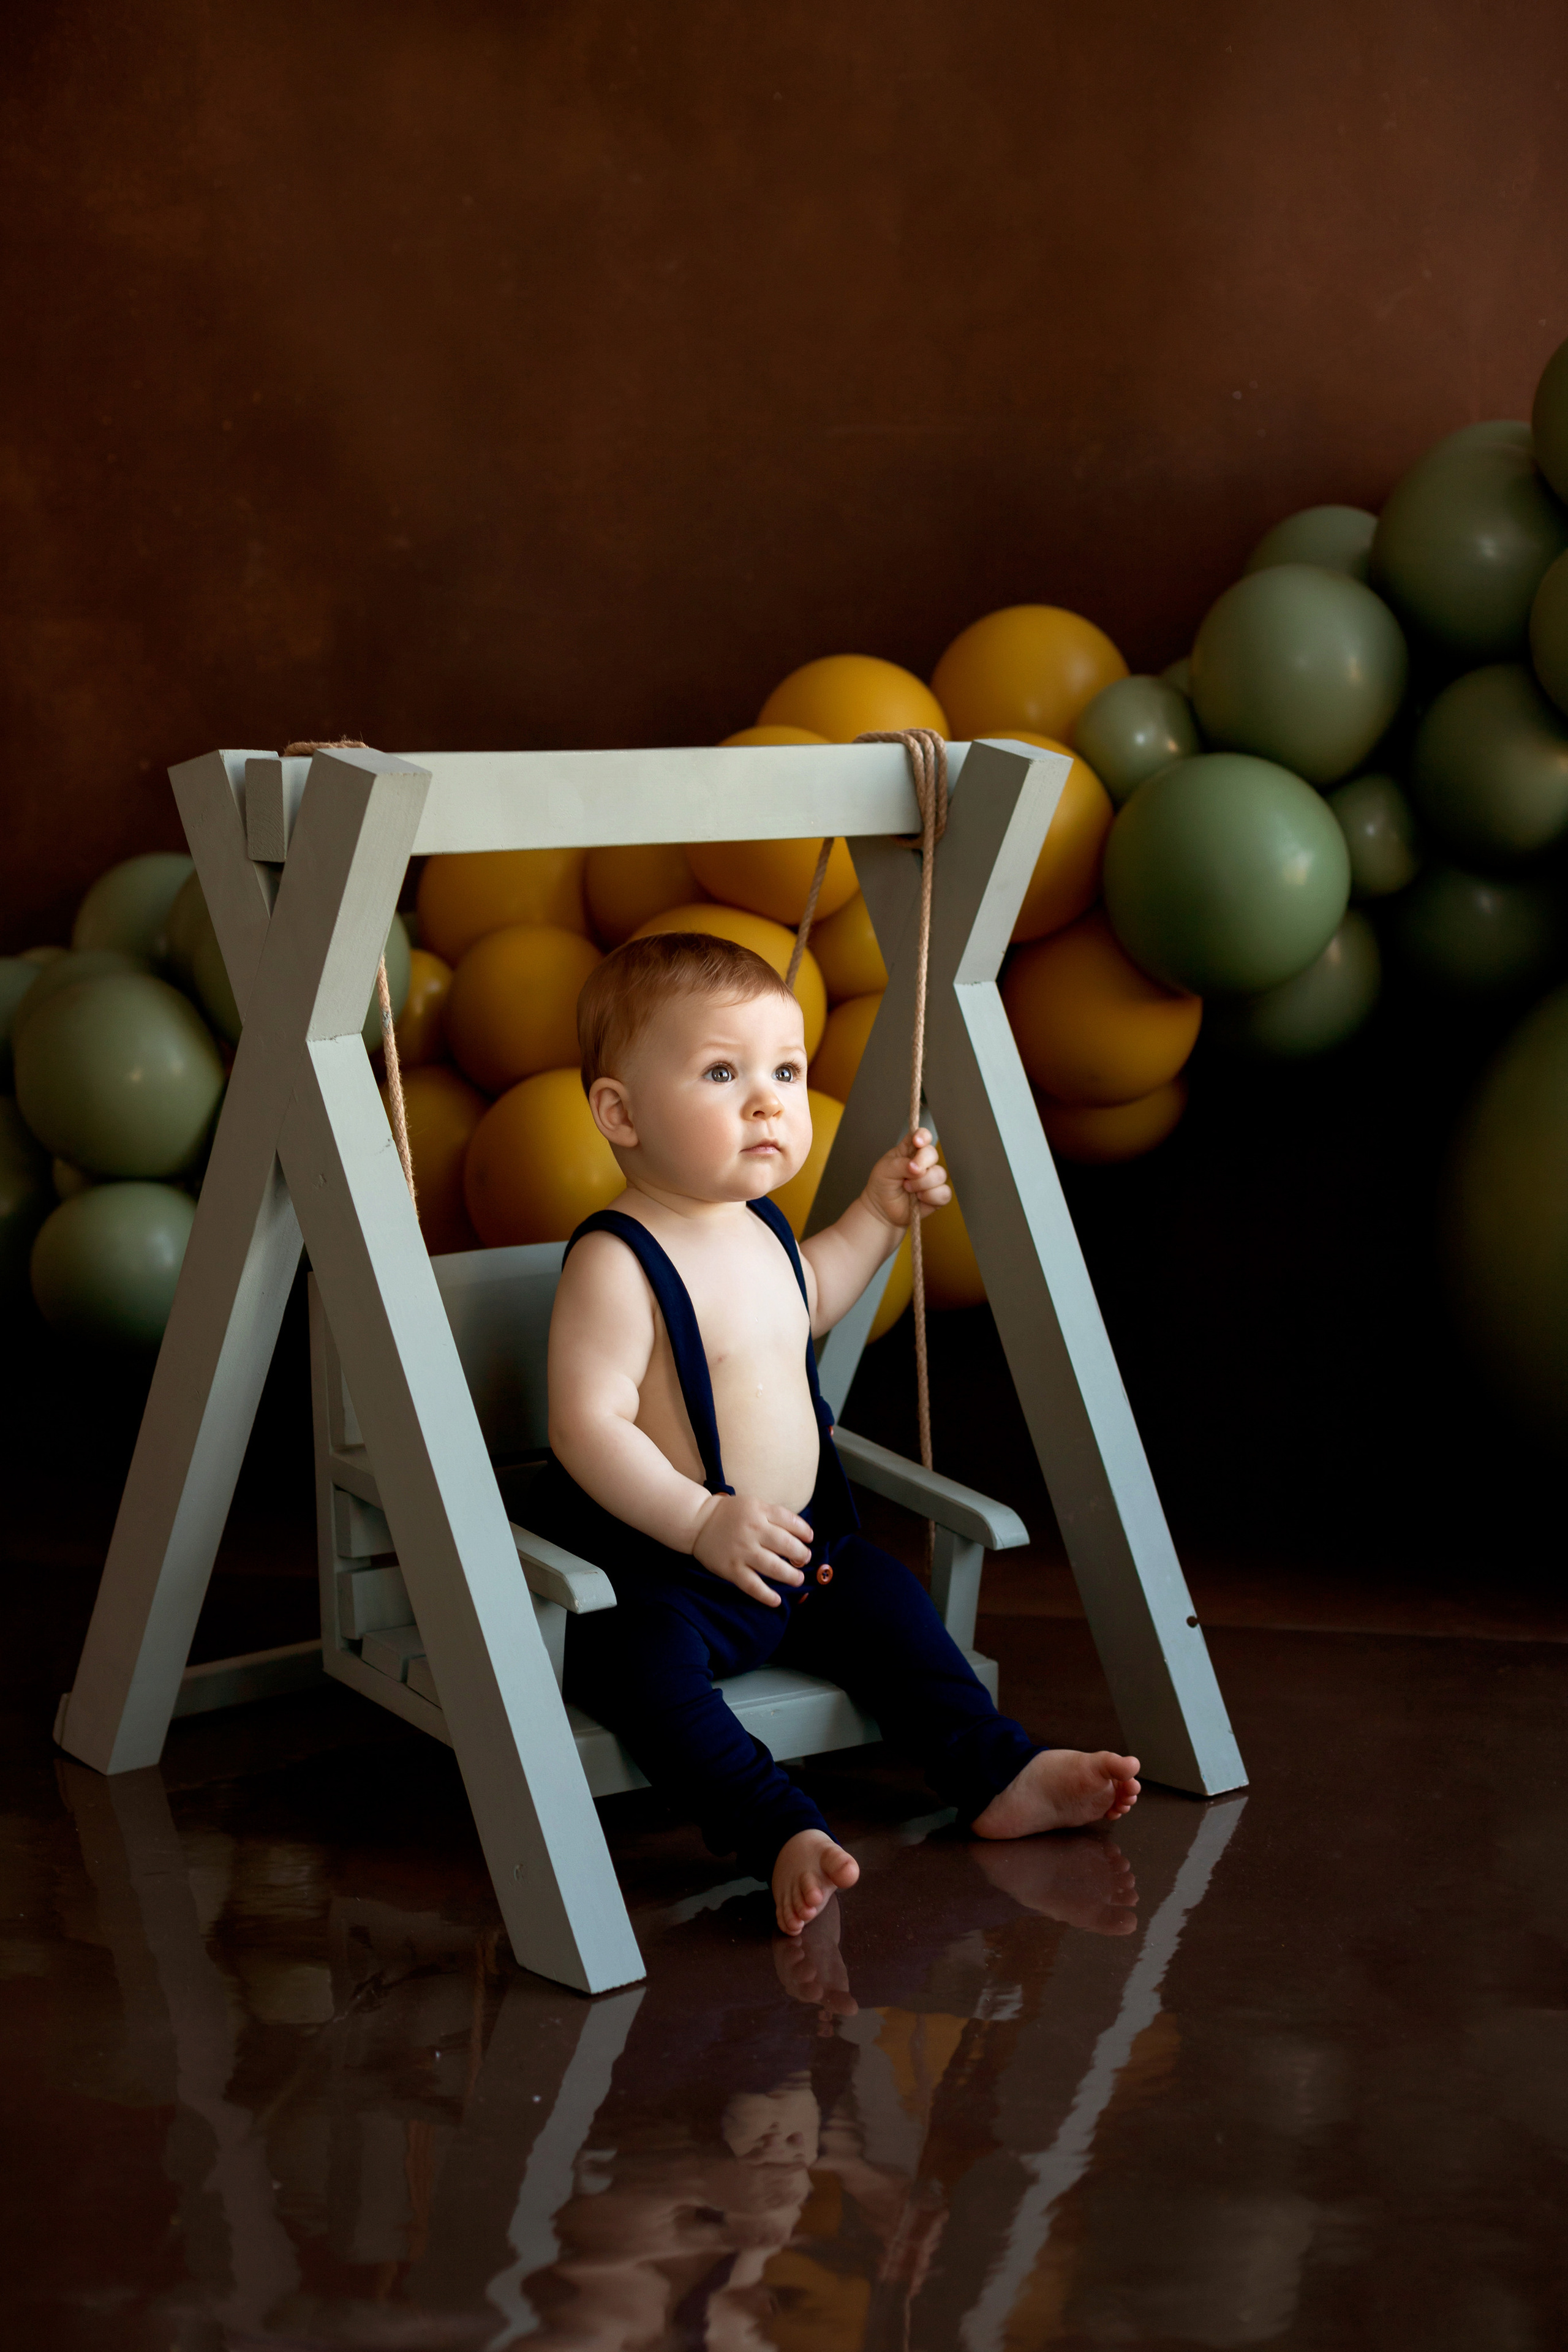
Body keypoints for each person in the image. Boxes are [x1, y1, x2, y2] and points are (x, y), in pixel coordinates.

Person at [527, 931, 1140, 1936]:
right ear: (620, 1113)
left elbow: (808, 1300)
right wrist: (697, 1523)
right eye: (723, 1072)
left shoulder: (762, 1225)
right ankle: (775, 1829)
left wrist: (876, 1213)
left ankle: (996, 1773)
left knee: (891, 1603)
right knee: (643, 1676)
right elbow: (586, 1424)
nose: (768, 1100)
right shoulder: (618, 1259)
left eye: (786, 1070)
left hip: (794, 1557)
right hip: (666, 1576)